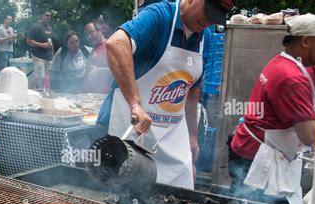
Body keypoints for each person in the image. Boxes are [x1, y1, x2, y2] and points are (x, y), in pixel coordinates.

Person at [97, 0, 229, 190]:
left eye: (215, 17)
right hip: (132, 134)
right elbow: (116, 44)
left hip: (173, 138)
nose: (209, 20)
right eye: (207, 11)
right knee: (124, 200)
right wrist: (135, 104)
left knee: (179, 203)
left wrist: (192, 137)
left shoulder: (205, 37)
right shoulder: (159, 15)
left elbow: (192, 91)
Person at [229, 14, 315, 204]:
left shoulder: (289, 62)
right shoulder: (292, 77)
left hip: (251, 148)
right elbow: (309, 135)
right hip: (259, 158)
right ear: (306, 41)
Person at [26, 9, 54, 90]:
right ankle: (37, 93)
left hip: (48, 56)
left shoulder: (50, 28)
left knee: (47, 78)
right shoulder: (36, 27)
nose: (49, 17)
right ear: (42, 16)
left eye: (50, 16)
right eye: (47, 15)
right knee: (40, 78)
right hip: (38, 56)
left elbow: (50, 41)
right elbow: (28, 40)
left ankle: (36, 91)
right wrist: (41, 45)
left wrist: (53, 54)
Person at [82, 22, 112, 94]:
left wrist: (99, 71)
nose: (89, 37)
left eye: (91, 32)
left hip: (106, 96)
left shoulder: (110, 46)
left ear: (100, 31)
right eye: (87, 35)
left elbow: (121, 70)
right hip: (93, 97)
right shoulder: (94, 49)